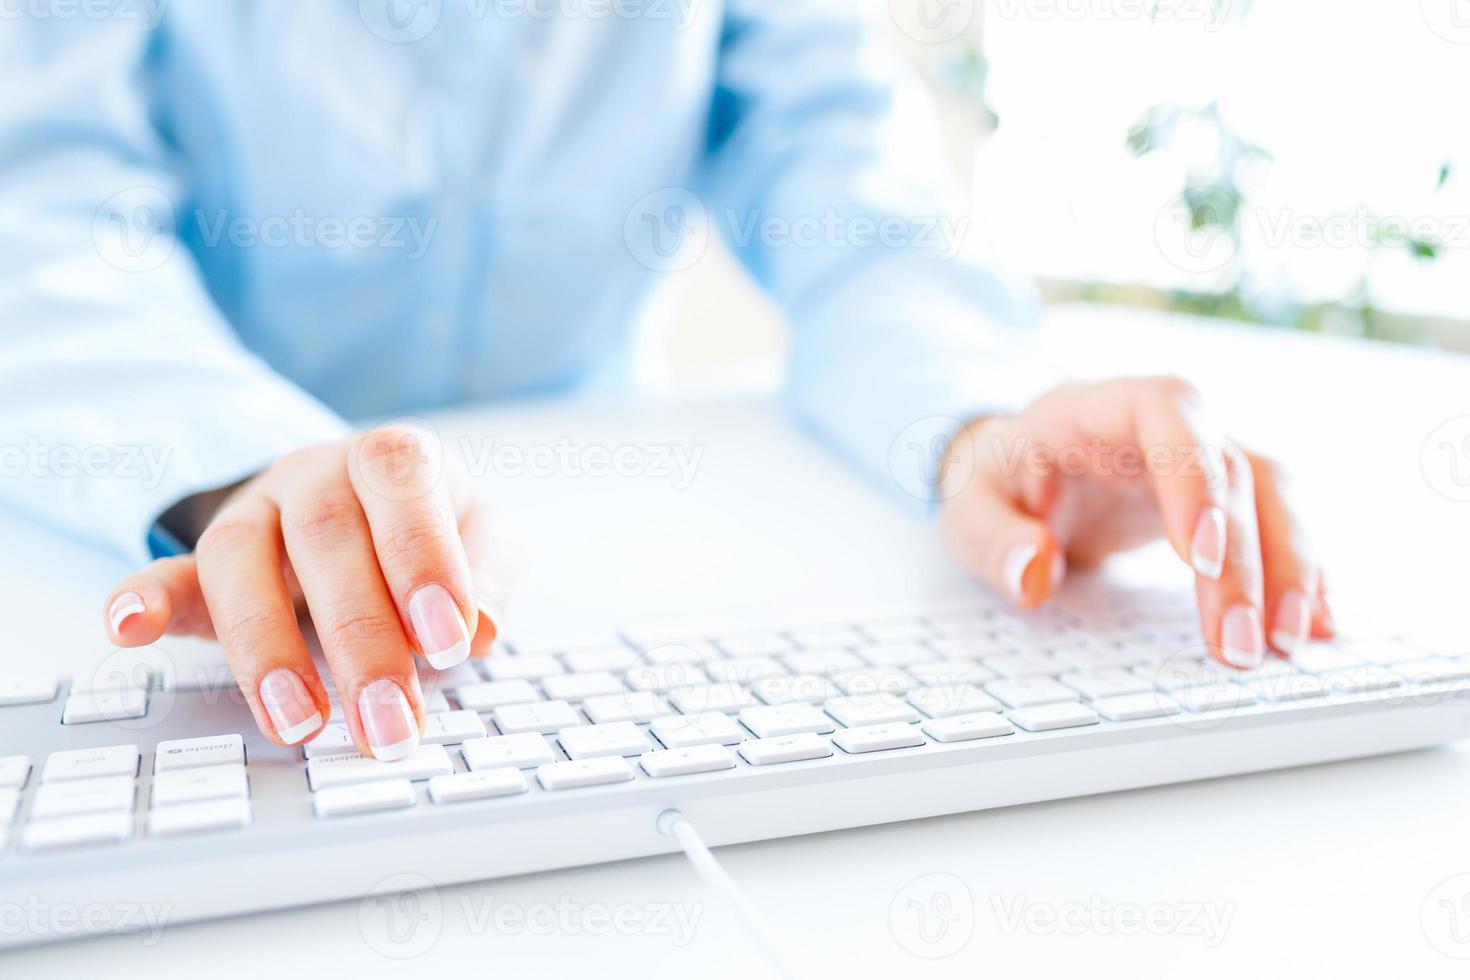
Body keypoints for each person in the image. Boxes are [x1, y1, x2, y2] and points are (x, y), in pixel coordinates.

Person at [0, 1, 1330, 761]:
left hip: (594, 548)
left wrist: (980, 419)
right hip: (178, 539)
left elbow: (842, 190)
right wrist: (246, 466)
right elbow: (41, 215)